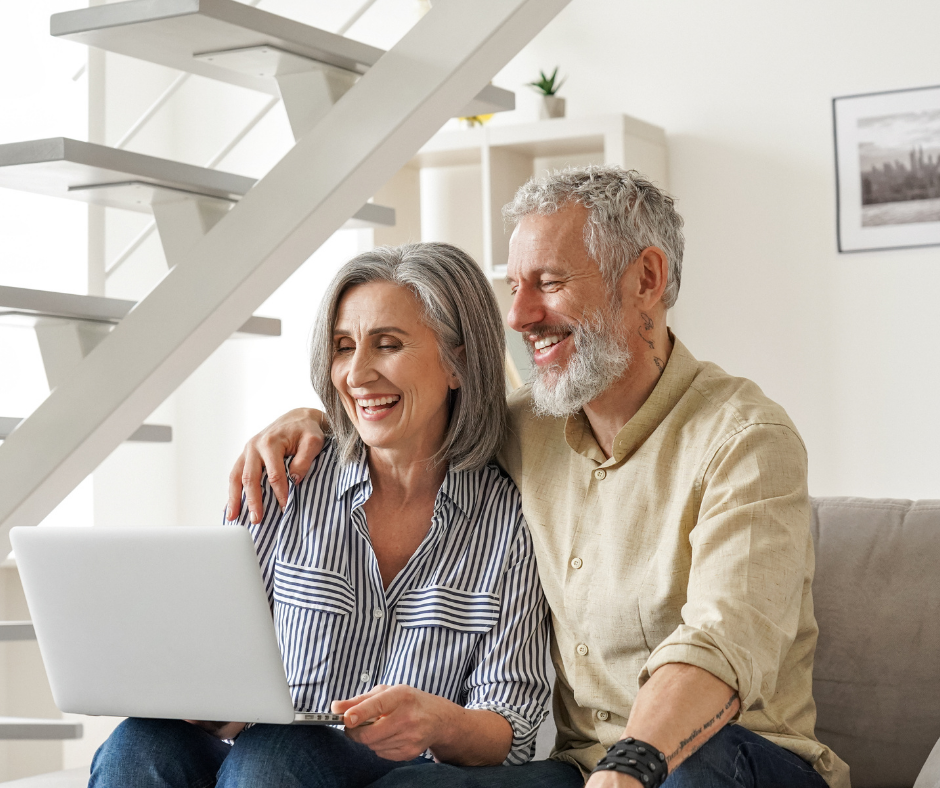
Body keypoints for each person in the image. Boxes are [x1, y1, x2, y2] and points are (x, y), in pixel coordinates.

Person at [228, 166, 851, 788]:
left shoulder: (746, 440)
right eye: (515, 287)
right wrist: (310, 420)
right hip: (580, 768)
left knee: (696, 772)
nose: (520, 316)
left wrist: (629, 767)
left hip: (735, 759)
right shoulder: (527, 428)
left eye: (549, 284)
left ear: (646, 279)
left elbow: (721, 645)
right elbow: (415, 418)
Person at [88, 243, 580, 788]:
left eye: (388, 345)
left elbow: (508, 729)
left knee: (276, 755)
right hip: (255, 759)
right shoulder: (282, 481)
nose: (358, 373)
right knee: (138, 743)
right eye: (343, 347)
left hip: (383, 773)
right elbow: (216, 670)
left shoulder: (507, 519)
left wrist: (437, 722)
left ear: (457, 362)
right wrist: (201, 700)